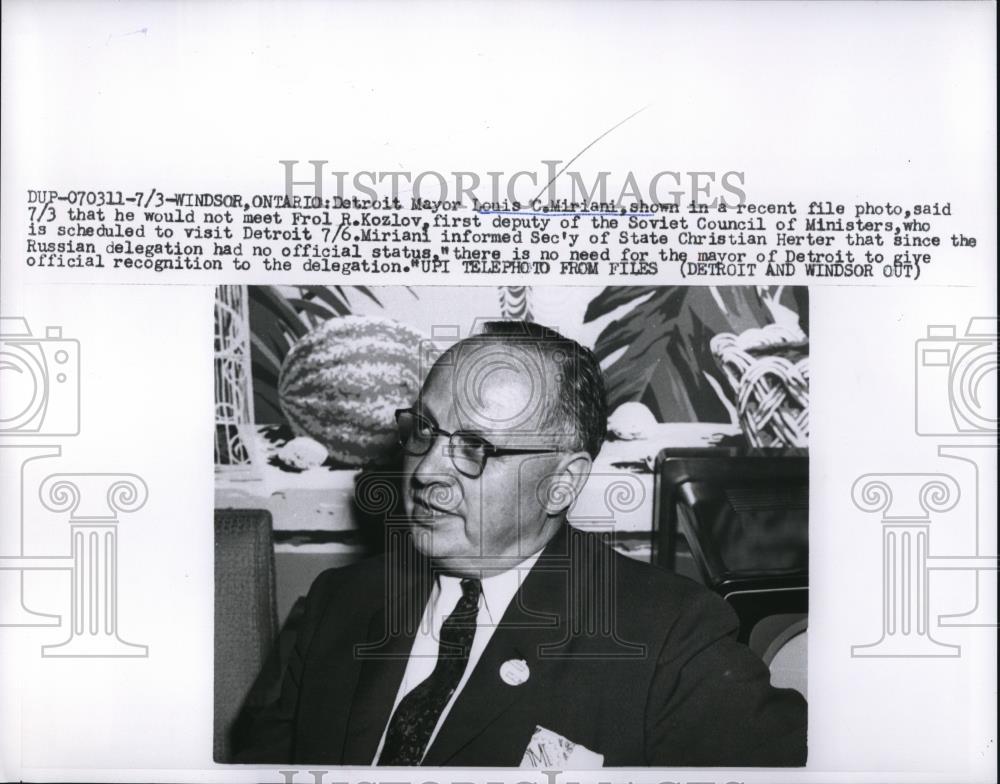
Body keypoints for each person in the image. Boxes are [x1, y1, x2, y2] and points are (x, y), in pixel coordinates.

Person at [233, 320, 807, 767]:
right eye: (426, 431)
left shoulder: (671, 637)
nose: (428, 470)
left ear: (563, 482)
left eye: (478, 447)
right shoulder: (337, 604)